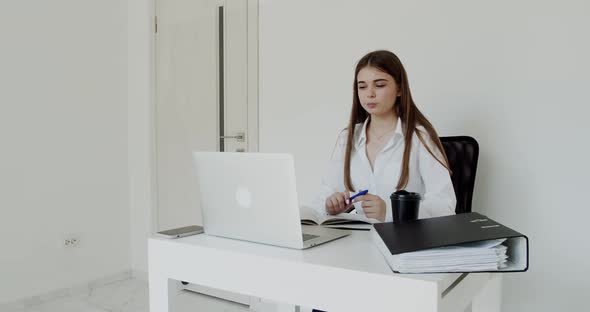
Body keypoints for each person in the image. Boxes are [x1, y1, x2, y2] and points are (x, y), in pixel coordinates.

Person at [313, 50, 456, 223]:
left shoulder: (420, 137)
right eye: (362, 86)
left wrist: (390, 211)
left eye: (379, 85)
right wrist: (330, 205)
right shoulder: (347, 138)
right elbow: (323, 196)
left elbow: (445, 207)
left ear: (399, 89)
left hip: (407, 242)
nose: (369, 94)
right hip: (361, 240)